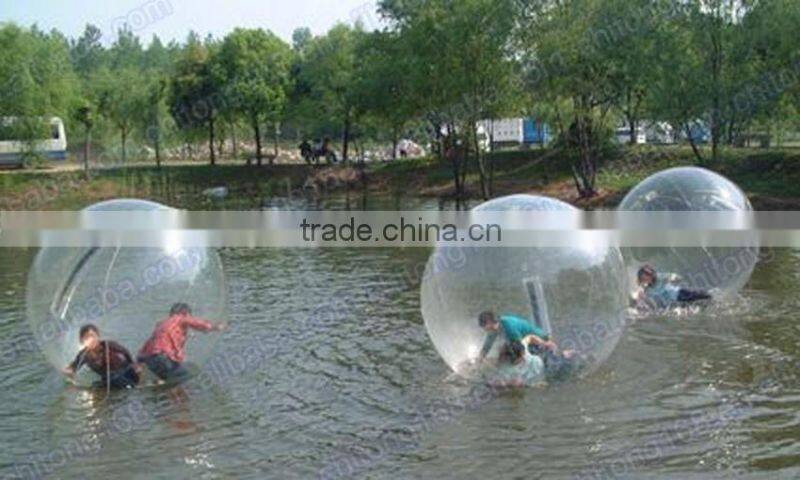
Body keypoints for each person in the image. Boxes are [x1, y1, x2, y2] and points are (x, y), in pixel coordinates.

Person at [138, 303, 226, 382]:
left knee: (167, 378)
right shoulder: (180, 318)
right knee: (187, 378)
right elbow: (197, 323)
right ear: (185, 313)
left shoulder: (161, 324)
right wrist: (215, 327)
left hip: (149, 360)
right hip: (163, 359)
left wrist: (139, 361)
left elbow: (147, 346)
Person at [62, 324, 140, 390]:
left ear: (98, 336)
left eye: (92, 336)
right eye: (86, 338)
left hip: (125, 371)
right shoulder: (84, 355)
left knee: (130, 386)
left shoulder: (108, 345)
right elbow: (74, 366)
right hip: (108, 378)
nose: (91, 340)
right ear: (82, 341)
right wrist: (69, 372)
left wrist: (134, 364)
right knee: (96, 388)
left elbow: (125, 351)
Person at [633, 265, 712, 310]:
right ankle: (708, 303)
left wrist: (674, 277)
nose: (646, 280)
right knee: (693, 305)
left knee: (698, 296)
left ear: (650, 275)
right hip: (674, 302)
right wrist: (638, 299)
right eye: (643, 279)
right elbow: (640, 294)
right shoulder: (646, 288)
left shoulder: (659, 277)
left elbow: (670, 276)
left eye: (646, 277)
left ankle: (710, 296)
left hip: (678, 293)